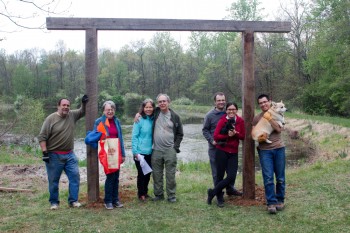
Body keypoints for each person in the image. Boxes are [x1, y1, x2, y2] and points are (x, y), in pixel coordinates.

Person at [38, 95, 88, 210]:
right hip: (54, 155)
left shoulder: (72, 115)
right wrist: (45, 153)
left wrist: (83, 103)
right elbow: (42, 137)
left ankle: (73, 201)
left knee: (75, 176)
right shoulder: (50, 119)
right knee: (54, 180)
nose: (66, 107)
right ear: (58, 106)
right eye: (63, 105)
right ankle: (54, 203)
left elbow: (82, 111)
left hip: (70, 154)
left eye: (68, 105)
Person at [202, 92, 242, 197]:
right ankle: (218, 194)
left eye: (223, 100)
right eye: (219, 100)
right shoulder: (209, 115)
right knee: (217, 173)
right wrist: (212, 141)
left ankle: (230, 189)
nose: (221, 102)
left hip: (229, 147)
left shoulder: (228, 112)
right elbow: (205, 130)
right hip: (215, 148)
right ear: (215, 102)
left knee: (231, 172)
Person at [252, 94, 286, 214]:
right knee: (268, 178)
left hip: (279, 148)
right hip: (264, 151)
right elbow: (254, 133)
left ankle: (280, 200)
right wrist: (258, 138)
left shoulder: (278, 114)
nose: (263, 104)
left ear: (270, 102)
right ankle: (271, 203)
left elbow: (279, 129)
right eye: (260, 103)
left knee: (280, 177)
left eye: (265, 102)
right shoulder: (257, 118)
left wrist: (269, 118)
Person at [207, 102, 245, 207]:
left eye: (233, 109)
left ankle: (212, 192)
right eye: (229, 109)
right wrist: (227, 136)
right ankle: (219, 198)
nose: (231, 111)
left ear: (236, 110)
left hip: (233, 152)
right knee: (219, 175)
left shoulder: (240, 121)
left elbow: (242, 136)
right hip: (221, 151)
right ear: (226, 110)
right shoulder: (223, 120)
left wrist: (236, 133)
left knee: (231, 176)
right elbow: (216, 136)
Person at [93, 100, 126, 210]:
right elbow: (95, 138)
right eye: (108, 109)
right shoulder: (99, 122)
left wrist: (123, 154)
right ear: (103, 111)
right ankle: (108, 200)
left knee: (116, 177)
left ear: (114, 110)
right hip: (106, 151)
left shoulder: (117, 121)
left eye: (112, 109)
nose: (110, 111)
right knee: (110, 176)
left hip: (117, 151)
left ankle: (115, 199)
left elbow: (120, 138)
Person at [152, 94, 183, 203]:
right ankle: (159, 194)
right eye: (160, 102)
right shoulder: (155, 113)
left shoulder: (175, 116)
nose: (162, 103)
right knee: (156, 174)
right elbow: (144, 110)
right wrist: (138, 114)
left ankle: (171, 195)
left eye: (164, 101)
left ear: (168, 102)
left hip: (170, 149)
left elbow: (180, 134)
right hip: (156, 149)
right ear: (158, 103)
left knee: (170, 174)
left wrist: (175, 147)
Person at [131, 98, 155, 201]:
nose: (148, 109)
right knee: (141, 174)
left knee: (148, 173)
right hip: (140, 153)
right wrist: (135, 152)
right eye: (146, 107)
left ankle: (145, 191)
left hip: (150, 151)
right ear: (143, 108)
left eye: (150, 107)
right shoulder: (139, 119)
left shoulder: (154, 118)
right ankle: (141, 194)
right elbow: (134, 136)